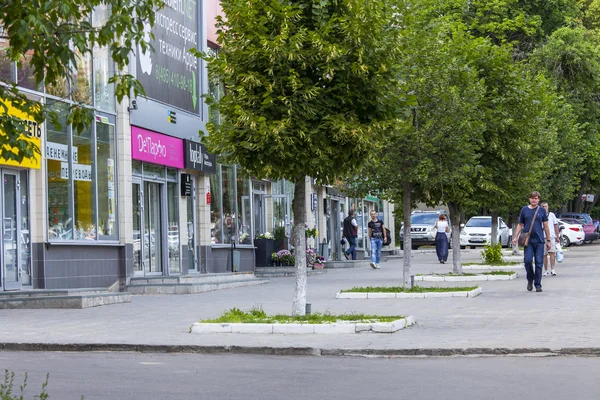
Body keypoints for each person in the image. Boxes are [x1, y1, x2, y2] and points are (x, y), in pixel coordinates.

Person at [512, 191, 552, 292]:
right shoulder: (524, 210)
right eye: (532, 198)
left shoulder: (542, 210)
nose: (534, 200)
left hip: (539, 241)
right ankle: (530, 279)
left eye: (536, 198)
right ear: (529, 199)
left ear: (539, 200)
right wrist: (515, 237)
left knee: (539, 263)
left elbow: (546, 226)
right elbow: (520, 224)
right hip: (528, 241)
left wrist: (548, 240)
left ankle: (538, 284)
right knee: (528, 261)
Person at [541, 202, 560, 276]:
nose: (544, 208)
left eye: (545, 206)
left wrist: (557, 236)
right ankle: (546, 270)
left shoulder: (551, 215)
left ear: (548, 207)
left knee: (552, 252)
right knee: (544, 254)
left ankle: (553, 269)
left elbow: (555, 225)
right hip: (542, 237)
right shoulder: (539, 215)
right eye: (543, 206)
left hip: (551, 236)